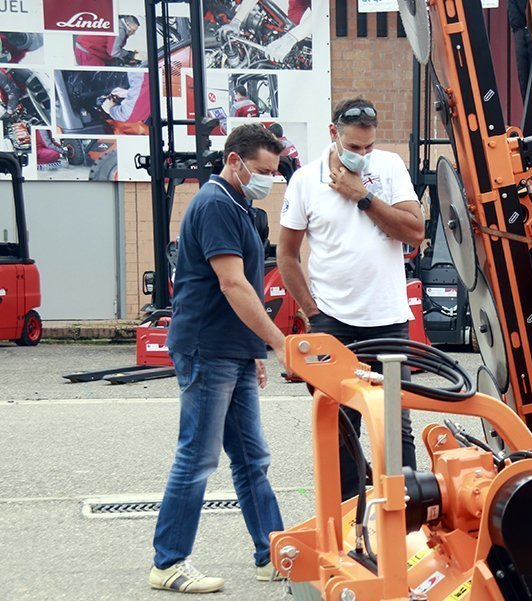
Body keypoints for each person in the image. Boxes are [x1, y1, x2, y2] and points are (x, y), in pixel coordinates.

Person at [149, 124, 288, 594]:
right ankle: (168, 563)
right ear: (235, 160)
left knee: (252, 459)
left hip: (232, 350)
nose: (269, 179)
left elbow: (243, 286)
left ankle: (273, 554)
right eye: (263, 170)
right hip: (208, 349)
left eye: (274, 172)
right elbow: (232, 284)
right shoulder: (213, 205)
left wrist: (253, 350)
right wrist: (278, 341)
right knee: (197, 458)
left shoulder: (239, 205)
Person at [277, 98, 424, 500]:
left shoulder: (389, 168)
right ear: (333, 134)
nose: (361, 155)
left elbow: (414, 231)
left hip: (389, 320)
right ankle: (347, 523)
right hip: (334, 323)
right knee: (341, 427)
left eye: (367, 147)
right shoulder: (306, 181)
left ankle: (407, 519)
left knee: (396, 426)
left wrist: (362, 197)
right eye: (353, 147)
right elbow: (286, 255)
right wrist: (312, 313)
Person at [74, 15, 141, 67]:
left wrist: (126, 55)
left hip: (86, 49)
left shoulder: (116, 24)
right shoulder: (120, 30)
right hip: (89, 52)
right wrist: (129, 55)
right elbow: (113, 52)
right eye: (133, 30)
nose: (133, 33)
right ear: (128, 27)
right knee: (98, 77)